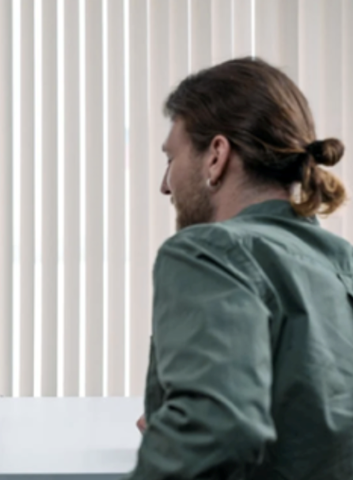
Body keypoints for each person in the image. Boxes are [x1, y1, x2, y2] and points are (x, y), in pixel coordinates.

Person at [127, 58, 353, 479]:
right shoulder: (341, 261)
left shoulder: (209, 251)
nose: (165, 184)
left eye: (171, 158)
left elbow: (216, 430)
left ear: (216, 156)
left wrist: (188, 429)